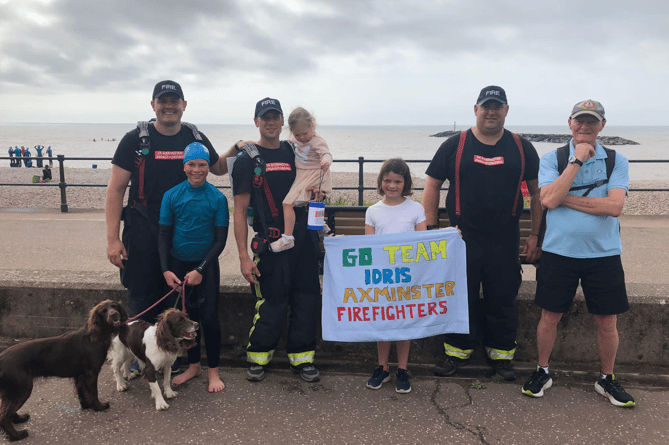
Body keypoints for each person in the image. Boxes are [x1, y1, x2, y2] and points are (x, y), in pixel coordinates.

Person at [423, 85, 541, 381]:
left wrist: (535, 235)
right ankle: (456, 353)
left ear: (506, 111)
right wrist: (431, 230)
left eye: (497, 106)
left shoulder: (521, 147)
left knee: (502, 298)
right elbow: (432, 185)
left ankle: (501, 357)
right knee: (460, 297)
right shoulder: (454, 145)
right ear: (476, 110)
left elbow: (537, 195)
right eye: (486, 106)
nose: (491, 111)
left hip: (505, 238)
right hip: (462, 238)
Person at [521, 100, 635, 407]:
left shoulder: (616, 160)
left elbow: (614, 208)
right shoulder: (554, 158)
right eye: (579, 121)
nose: (585, 127)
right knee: (549, 316)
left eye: (592, 122)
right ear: (570, 123)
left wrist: (563, 199)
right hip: (559, 253)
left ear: (602, 126)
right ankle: (542, 371)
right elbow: (546, 200)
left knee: (606, 321)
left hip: (604, 254)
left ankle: (606, 379)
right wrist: (577, 160)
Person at [105, 80, 233, 326]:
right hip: (142, 227)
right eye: (163, 101)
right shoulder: (134, 140)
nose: (169, 106)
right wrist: (113, 239)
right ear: (153, 105)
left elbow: (217, 168)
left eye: (174, 101)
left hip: (180, 231)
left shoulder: (194, 137)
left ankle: (170, 358)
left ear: (184, 105)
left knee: (175, 295)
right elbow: (115, 190)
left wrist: (238, 148)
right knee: (141, 294)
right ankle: (140, 357)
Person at [231, 97, 321, 383]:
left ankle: (303, 357)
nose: (270, 122)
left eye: (275, 116)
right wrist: (244, 257)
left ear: (284, 122)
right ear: (256, 122)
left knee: (307, 299)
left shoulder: (294, 151)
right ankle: (259, 356)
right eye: (264, 117)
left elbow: (314, 176)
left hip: (303, 239)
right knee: (271, 301)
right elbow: (240, 211)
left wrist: (317, 193)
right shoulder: (247, 160)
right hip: (270, 244)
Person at [158, 142, 229, 393]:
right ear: (184, 166)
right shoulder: (172, 195)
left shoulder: (217, 198)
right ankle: (193, 366)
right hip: (178, 265)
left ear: (209, 167)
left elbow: (220, 240)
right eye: (191, 164)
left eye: (202, 165)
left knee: (209, 319)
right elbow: (164, 235)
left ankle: (214, 372)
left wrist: (200, 269)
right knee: (187, 321)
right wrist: (166, 269)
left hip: (206, 267)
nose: (196, 170)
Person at [364, 158, 427, 394]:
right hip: (382, 278)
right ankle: (383, 367)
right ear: (381, 182)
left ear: (405, 183)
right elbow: (369, 248)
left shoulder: (416, 208)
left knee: (404, 323)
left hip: (408, 277)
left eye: (397, 181)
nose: (392, 185)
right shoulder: (373, 211)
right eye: (387, 180)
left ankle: (402, 368)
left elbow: (424, 243)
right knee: (383, 322)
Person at [270, 107, 333, 252]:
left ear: (313, 126)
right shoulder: (295, 140)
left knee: (288, 203)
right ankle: (321, 226)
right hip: (301, 174)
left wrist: (325, 162)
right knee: (308, 202)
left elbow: (327, 154)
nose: (302, 138)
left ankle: (287, 238)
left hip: (313, 174)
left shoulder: (316, 141)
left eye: (305, 133)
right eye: (297, 135)